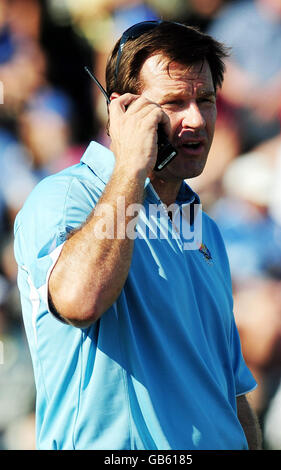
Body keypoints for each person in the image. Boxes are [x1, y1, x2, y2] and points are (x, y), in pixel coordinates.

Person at [14, 21, 261, 450]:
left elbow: (231, 397)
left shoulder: (203, 229)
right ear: (121, 111)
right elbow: (79, 300)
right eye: (174, 102)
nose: (197, 119)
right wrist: (131, 166)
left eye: (205, 99)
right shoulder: (66, 197)